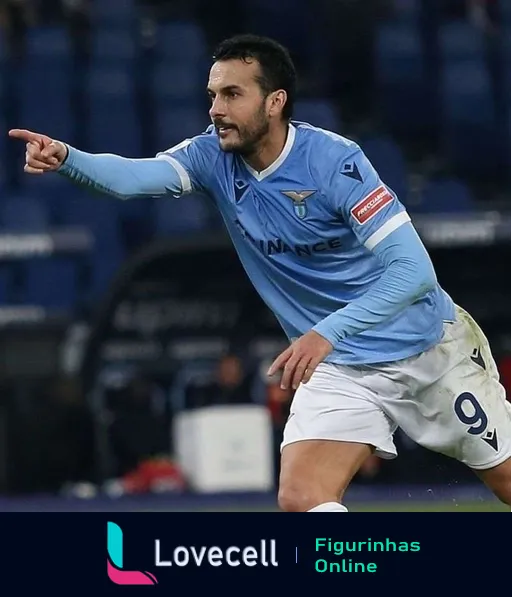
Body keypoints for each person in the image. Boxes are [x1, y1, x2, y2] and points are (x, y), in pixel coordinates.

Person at [9, 34, 511, 511]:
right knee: (302, 495)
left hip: (426, 352)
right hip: (341, 369)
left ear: (275, 101)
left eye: (232, 94)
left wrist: (325, 333)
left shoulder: (335, 163)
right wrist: (68, 159)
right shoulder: (211, 156)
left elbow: (414, 272)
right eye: (212, 95)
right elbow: (134, 178)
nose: (216, 110)